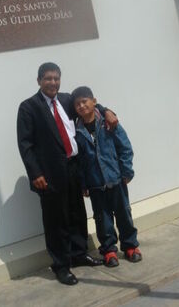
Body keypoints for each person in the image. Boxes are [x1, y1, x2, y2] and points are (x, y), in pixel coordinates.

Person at [17, 62, 118, 285]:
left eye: (56, 78)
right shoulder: (28, 107)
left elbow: (87, 105)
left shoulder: (65, 100)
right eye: (48, 78)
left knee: (76, 214)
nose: (53, 82)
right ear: (39, 81)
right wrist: (35, 173)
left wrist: (107, 110)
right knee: (56, 220)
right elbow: (25, 144)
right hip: (49, 175)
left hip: (74, 168)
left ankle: (79, 254)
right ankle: (61, 265)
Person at [72, 86, 142, 268]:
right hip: (95, 184)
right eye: (77, 104)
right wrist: (83, 184)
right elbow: (79, 162)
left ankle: (130, 245)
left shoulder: (108, 122)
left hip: (116, 179)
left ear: (94, 101)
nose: (81, 106)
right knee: (102, 219)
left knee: (124, 213)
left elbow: (125, 147)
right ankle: (109, 249)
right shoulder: (76, 131)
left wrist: (126, 171)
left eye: (84, 101)